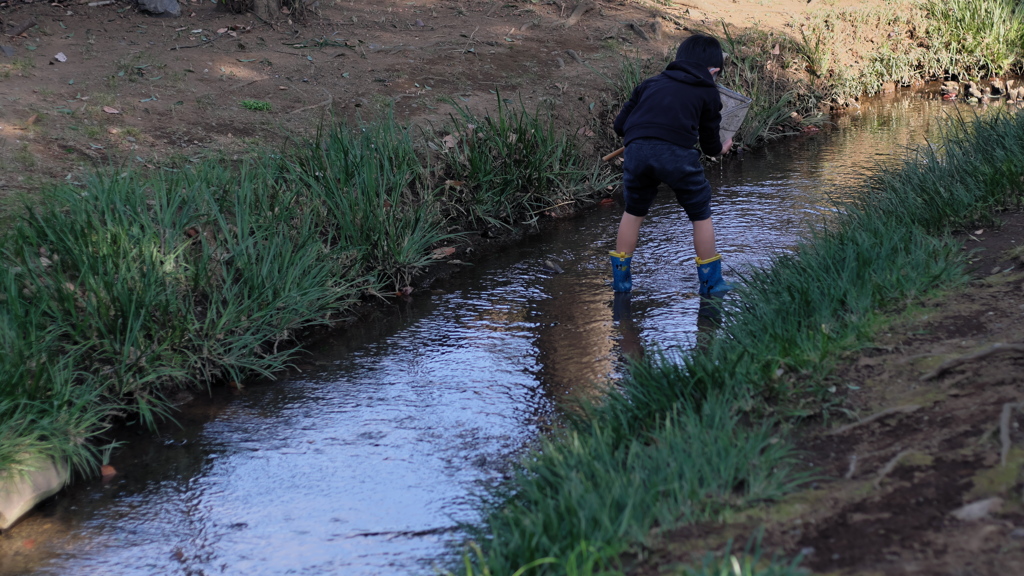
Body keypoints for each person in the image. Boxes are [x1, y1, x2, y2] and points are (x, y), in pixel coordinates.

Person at [609, 33, 734, 297]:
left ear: (678, 60)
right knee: (700, 212)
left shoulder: (649, 84)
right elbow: (710, 143)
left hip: (636, 152)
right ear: (713, 71)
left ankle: (621, 283)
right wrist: (721, 149)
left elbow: (620, 126)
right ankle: (712, 284)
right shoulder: (708, 91)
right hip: (676, 154)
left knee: (633, 210)